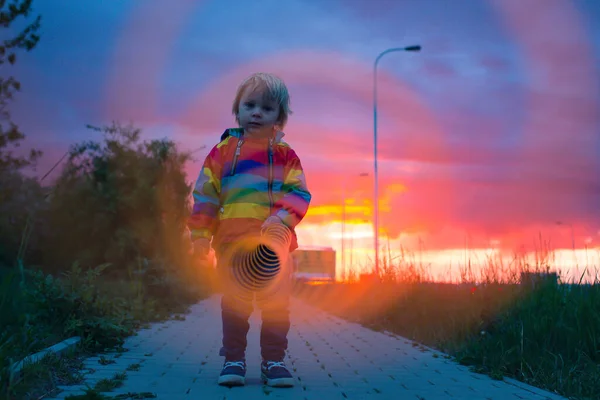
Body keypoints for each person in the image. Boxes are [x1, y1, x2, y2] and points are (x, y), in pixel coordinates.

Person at [188, 72, 311, 388]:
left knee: (276, 304)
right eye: (250, 105)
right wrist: (200, 236)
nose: (256, 112)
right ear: (238, 110)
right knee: (235, 301)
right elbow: (205, 195)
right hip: (231, 242)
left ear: (278, 119)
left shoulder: (286, 156)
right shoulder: (222, 153)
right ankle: (234, 359)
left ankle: (274, 361)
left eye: (266, 108)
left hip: (274, 247)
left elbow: (299, 194)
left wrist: (281, 220)